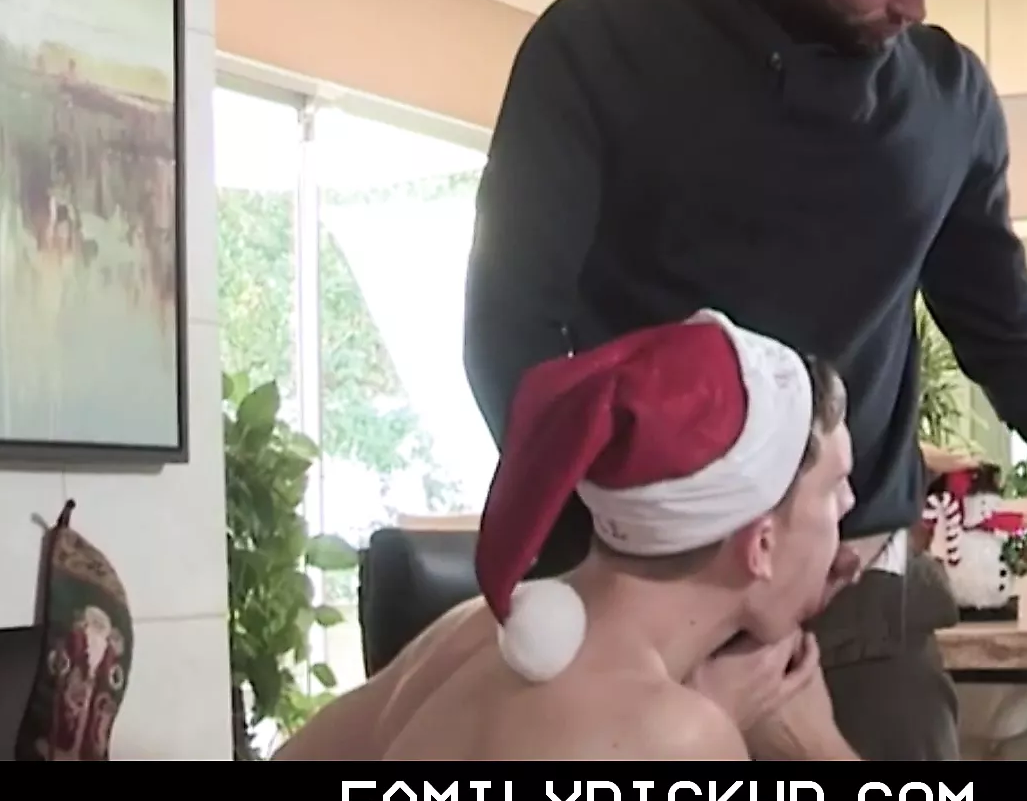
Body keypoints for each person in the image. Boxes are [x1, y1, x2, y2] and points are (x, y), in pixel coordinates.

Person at [462, 0, 1027, 762]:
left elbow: (1008, 334)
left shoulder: (947, 99)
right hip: (640, 601)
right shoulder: (598, 48)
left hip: (859, 600)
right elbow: (511, 333)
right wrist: (629, 551)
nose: (913, 6)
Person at [274, 310, 860, 761]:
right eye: (834, 488)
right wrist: (815, 747)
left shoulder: (474, 631)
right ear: (761, 546)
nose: (850, 505)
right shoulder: (680, 737)